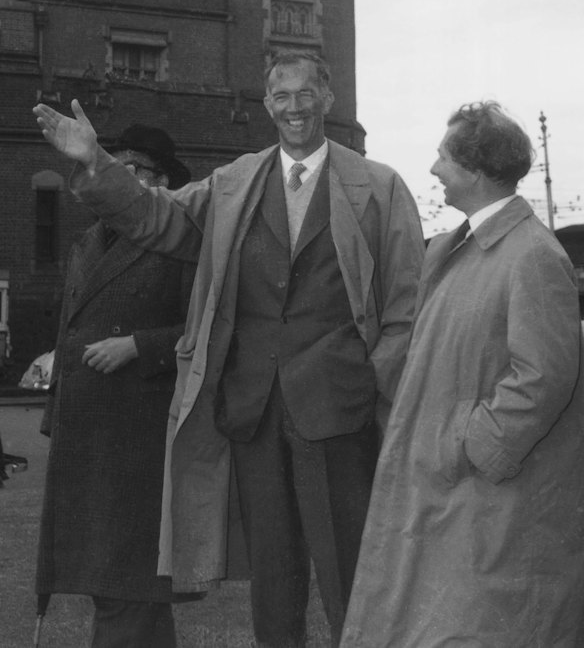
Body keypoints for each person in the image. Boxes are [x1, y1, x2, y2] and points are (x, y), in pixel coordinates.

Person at [33, 51, 425, 648]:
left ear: (328, 99)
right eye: (280, 97)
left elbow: (408, 309)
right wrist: (97, 162)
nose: (293, 108)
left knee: (351, 572)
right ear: (267, 104)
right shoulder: (235, 182)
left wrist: (369, 379)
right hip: (252, 411)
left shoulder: (378, 187)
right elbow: (156, 218)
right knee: (273, 575)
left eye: (304, 94)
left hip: (339, 413)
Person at [340, 101, 584, 648]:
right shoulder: (465, 247)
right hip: (453, 489)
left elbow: (544, 376)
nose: (433, 170)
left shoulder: (530, 255)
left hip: (487, 495)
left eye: (443, 158)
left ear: (476, 169)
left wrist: (472, 443)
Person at [35, 124, 198, 648]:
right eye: (117, 164)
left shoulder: (184, 242)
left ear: (166, 182)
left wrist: (139, 346)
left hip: (142, 437)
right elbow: (70, 326)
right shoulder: (89, 238)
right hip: (84, 433)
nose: (124, 177)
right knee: (112, 585)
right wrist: (53, 414)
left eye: (139, 170)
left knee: (126, 582)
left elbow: (213, 330)